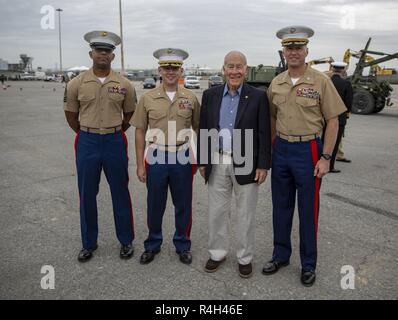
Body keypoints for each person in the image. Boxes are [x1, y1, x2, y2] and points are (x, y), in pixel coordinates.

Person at [263, 26, 347, 286]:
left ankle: (309, 264)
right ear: (283, 52)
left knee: (308, 210)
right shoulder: (277, 82)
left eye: (298, 47)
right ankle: (281, 255)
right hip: (282, 150)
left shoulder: (321, 81)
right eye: (289, 48)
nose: (294, 52)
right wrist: (271, 150)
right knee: (281, 206)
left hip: (309, 149)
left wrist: (326, 157)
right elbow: (271, 117)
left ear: (306, 51)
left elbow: (333, 120)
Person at [63, 30, 137, 262]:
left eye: (107, 51)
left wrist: (113, 131)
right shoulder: (76, 84)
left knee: (120, 192)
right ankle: (88, 242)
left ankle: (126, 241)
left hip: (115, 141)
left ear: (112, 56)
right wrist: (89, 132)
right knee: (87, 193)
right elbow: (71, 114)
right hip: (87, 141)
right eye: (99, 51)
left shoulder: (125, 84)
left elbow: (130, 114)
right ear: (91, 54)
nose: (103, 54)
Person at [197, 51, 271, 278]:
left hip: (247, 160)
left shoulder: (258, 96)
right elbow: (204, 128)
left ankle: (244, 257)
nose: (235, 71)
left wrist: (263, 165)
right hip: (217, 159)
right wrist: (202, 160)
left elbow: (264, 132)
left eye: (239, 67)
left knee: (245, 213)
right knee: (217, 212)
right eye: (230, 66)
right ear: (223, 69)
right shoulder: (210, 95)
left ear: (245, 70)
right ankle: (217, 253)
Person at [130, 48, 200, 265]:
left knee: (183, 204)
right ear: (159, 70)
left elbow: (200, 128)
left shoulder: (190, 97)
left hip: (182, 156)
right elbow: (140, 130)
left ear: (181, 70)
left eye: (175, 68)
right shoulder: (147, 98)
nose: (171, 71)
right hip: (157, 156)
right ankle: (153, 244)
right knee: (155, 204)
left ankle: (182, 244)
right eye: (167, 67)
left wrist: (201, 159)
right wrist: (140, 164)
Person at [327, 61, 353, 173]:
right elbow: (349, 102)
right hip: (339, 117)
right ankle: (330, 166)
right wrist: (346, 113)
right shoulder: (346, 84)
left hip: (324, 115)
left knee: (322, 140)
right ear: (343, 70)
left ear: (332, 69)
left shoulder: (326, 82)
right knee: (334, 142)